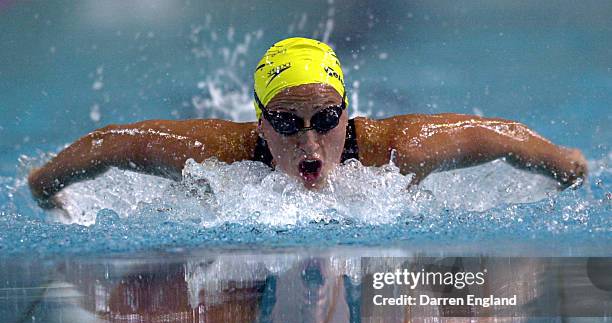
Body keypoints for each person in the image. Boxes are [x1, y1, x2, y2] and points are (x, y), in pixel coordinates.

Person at [28, 37, 588, 208]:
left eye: (326, 118)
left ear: (347, 110)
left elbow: (501, 137)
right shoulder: (219, 152)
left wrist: (572, 170)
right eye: (287, 123)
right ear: (261, 122)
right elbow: (115, 144)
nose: (310, 143)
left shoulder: (401, 150)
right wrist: (45, 188)